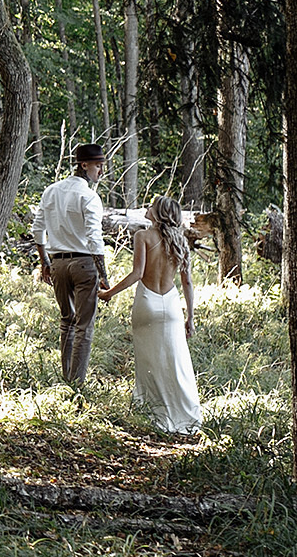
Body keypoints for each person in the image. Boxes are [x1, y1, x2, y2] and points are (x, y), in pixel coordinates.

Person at [101, 194, 202, 434]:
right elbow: (187, 282)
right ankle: (184, 416)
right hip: (172, 306)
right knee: (176, 362)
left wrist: (109, 293)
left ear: (157, 213)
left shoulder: (142, 236)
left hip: (147, 303)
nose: (147, 207)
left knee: (149, 362)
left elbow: (138, 274)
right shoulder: (180, 242)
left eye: (151, 205)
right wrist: (191, 317)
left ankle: (154, 413)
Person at [32, 143, 108, 384]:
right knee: (84, 326)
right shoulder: (89, 196)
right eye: (98, 166)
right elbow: (95, 239)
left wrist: (44, 261)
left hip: (58, 264)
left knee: (67, 322)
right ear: (84, 165)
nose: (101, 172)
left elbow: (38, 229)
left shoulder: (51, 190)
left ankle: (67, 378)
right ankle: (76, 383)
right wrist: (103, 275)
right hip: (84, 264)